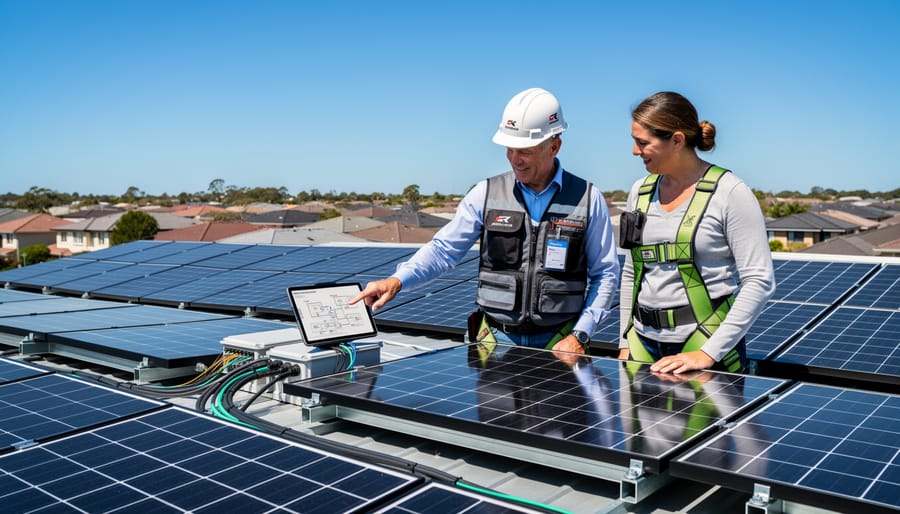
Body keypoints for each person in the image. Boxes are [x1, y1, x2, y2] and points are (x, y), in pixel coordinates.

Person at [352, 87, 619, 355]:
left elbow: (605, 273)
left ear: (554, 146)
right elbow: (443, 251)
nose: (514, 160)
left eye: (524, 151)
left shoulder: (587, 199)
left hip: (560, 343)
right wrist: (397, 281)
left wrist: (580, 335)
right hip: (495, 342)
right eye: (509, 149)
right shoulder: (486, 194)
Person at [618, 91, 775, 373]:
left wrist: (707, 353)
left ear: (677, 140)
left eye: (642, 142)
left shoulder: (730, 193)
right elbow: (632, 271)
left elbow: (759, 280)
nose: (634, 151)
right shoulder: (639, 192)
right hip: (642, 344)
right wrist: (625, 338)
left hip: (706, 344)